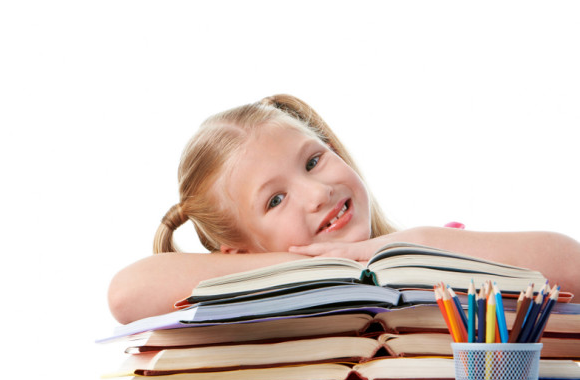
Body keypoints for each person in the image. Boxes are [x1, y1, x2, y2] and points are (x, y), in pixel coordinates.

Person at [108, 94, 580, 324]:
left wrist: (400, 246)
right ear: (239, 255)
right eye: (275, 199)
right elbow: (127, 294)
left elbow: (570, 268)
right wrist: (315, 266)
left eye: (314, 161)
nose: (317, 193)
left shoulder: (432, 246)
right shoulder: (253, 303)